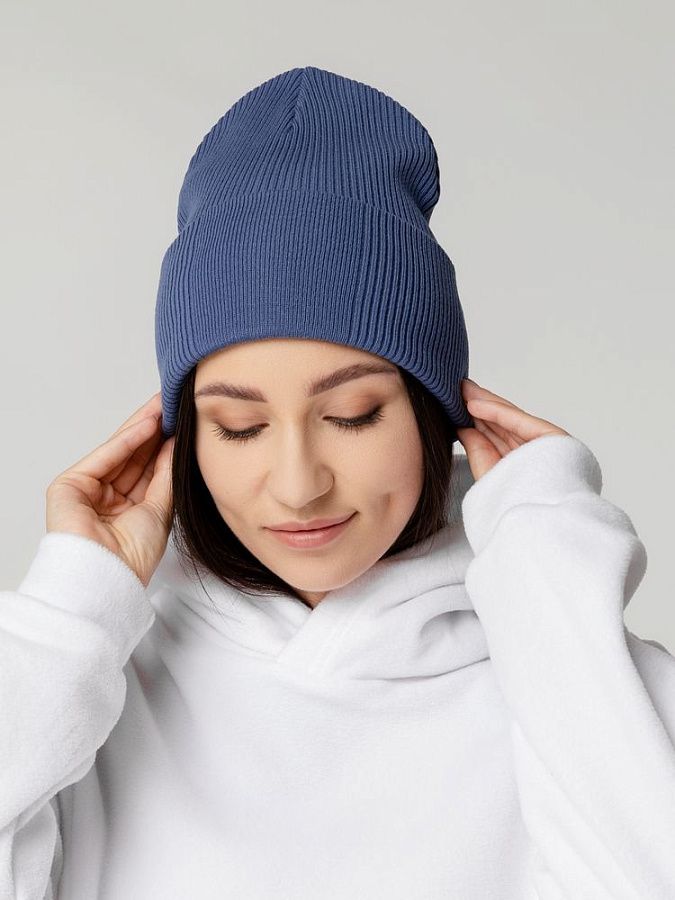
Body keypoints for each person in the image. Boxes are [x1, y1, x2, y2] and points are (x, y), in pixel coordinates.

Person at [2, 65, 675, 900]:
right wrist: (67, 614)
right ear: (185, 437)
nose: (298, 486)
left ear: (432, 413)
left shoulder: (576, 669)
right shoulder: (83, 688)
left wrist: (551, 576)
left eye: (352, 415)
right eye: (239, 426)